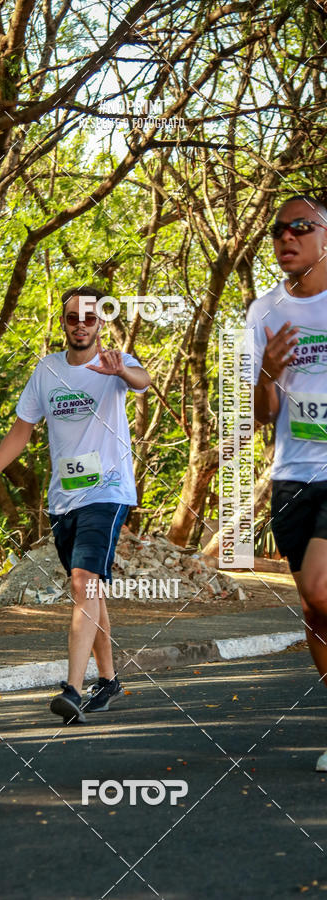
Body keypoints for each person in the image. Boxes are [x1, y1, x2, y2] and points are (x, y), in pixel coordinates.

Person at [0, 286, 151, 724]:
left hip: (108, 492)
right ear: (64, 324)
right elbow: (20, 432)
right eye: (72, 318)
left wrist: (123, 372)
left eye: (89, 317)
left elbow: (143, 382)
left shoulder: (117, 364)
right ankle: (109, 680)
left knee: (84, 582)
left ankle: (72, 689)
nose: (81, 324)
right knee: (90, 589)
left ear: (101, 322)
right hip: (64, 501)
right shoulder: (46, 371)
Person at [246, 194, 327, 770]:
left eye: (301, 227)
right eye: (278, 230)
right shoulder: (264, 311)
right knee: (314, 608)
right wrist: (271, 371)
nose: (286, 237)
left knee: (323, 588)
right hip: (293, 473)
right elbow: (262, 414)